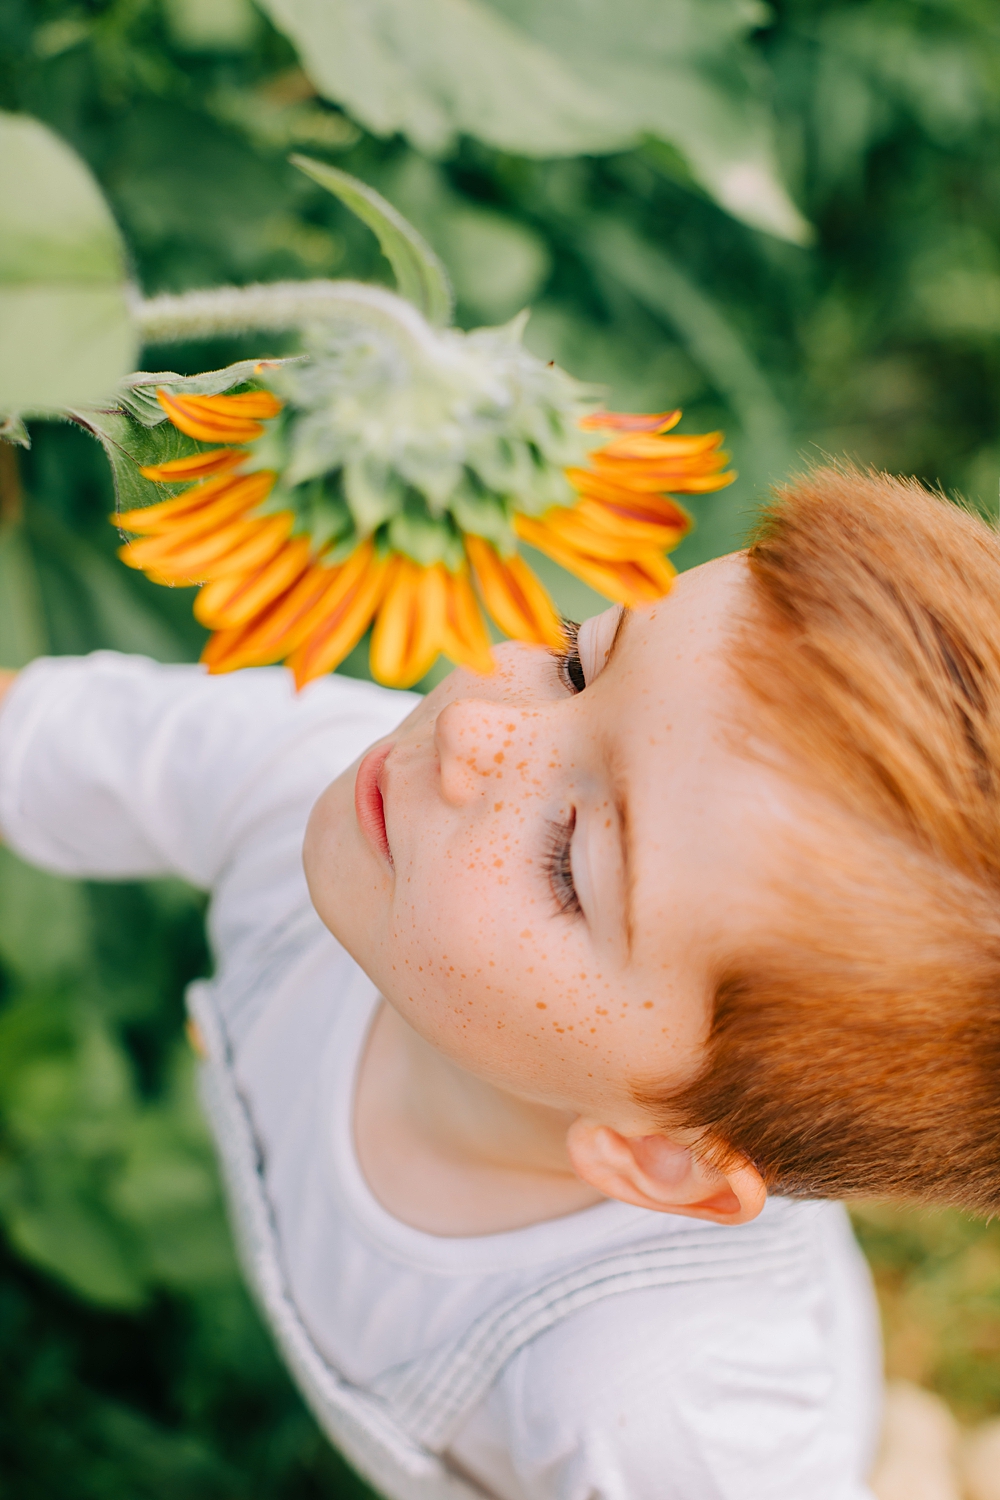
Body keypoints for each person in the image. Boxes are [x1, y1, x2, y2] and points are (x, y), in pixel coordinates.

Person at [4, 461, 997, 1499]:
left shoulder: (658, 1409)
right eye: (577, 661)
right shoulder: (326, 783)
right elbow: (72, 740)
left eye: (569, 860)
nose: (477, 732)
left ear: (662, 1160)